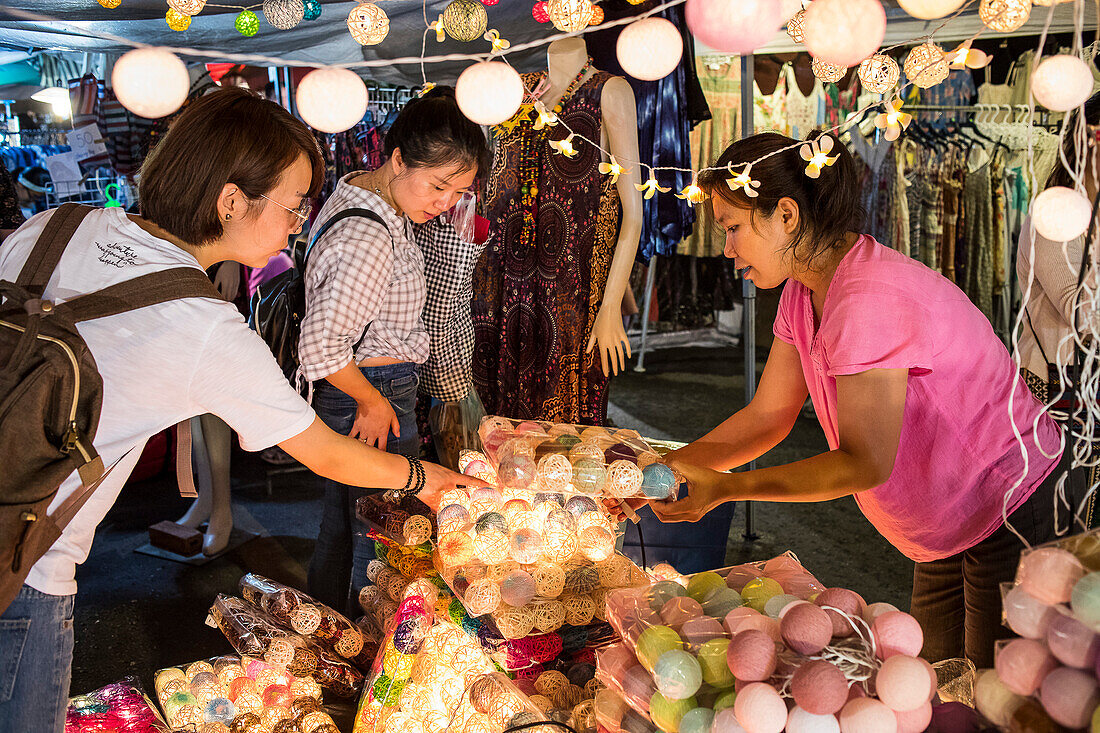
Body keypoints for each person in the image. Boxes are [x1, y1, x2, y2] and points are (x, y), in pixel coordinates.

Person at [0, 88, 476, 733]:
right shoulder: (202, 327)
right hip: (24, 563)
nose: (298, 224)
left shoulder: (54, 227)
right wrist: (428, 479)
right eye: (290, 205)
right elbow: (330, 453)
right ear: (231, 201)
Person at [641, 131, 1066, 668]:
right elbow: (769, 415)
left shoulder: (868, 298)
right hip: (943, 520)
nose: (725, 249)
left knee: (998, 693)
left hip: (1009, 498)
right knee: (941, 686)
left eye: (732, 228)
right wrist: (659, 470)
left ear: (787, 215)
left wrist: (729, 488)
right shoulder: (804, 289)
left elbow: (863, 461)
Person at [301, 86, 489, 615]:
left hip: (368, 391)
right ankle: (370, 651)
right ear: (399, 158)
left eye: (458, 192)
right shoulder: (369, 235)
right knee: (381, 538)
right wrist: (371, 401)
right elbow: (320, 346)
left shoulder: (370, 201)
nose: (445, 203)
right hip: (370, 393)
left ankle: (327, 641)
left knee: (345, 524)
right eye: (438, 186)